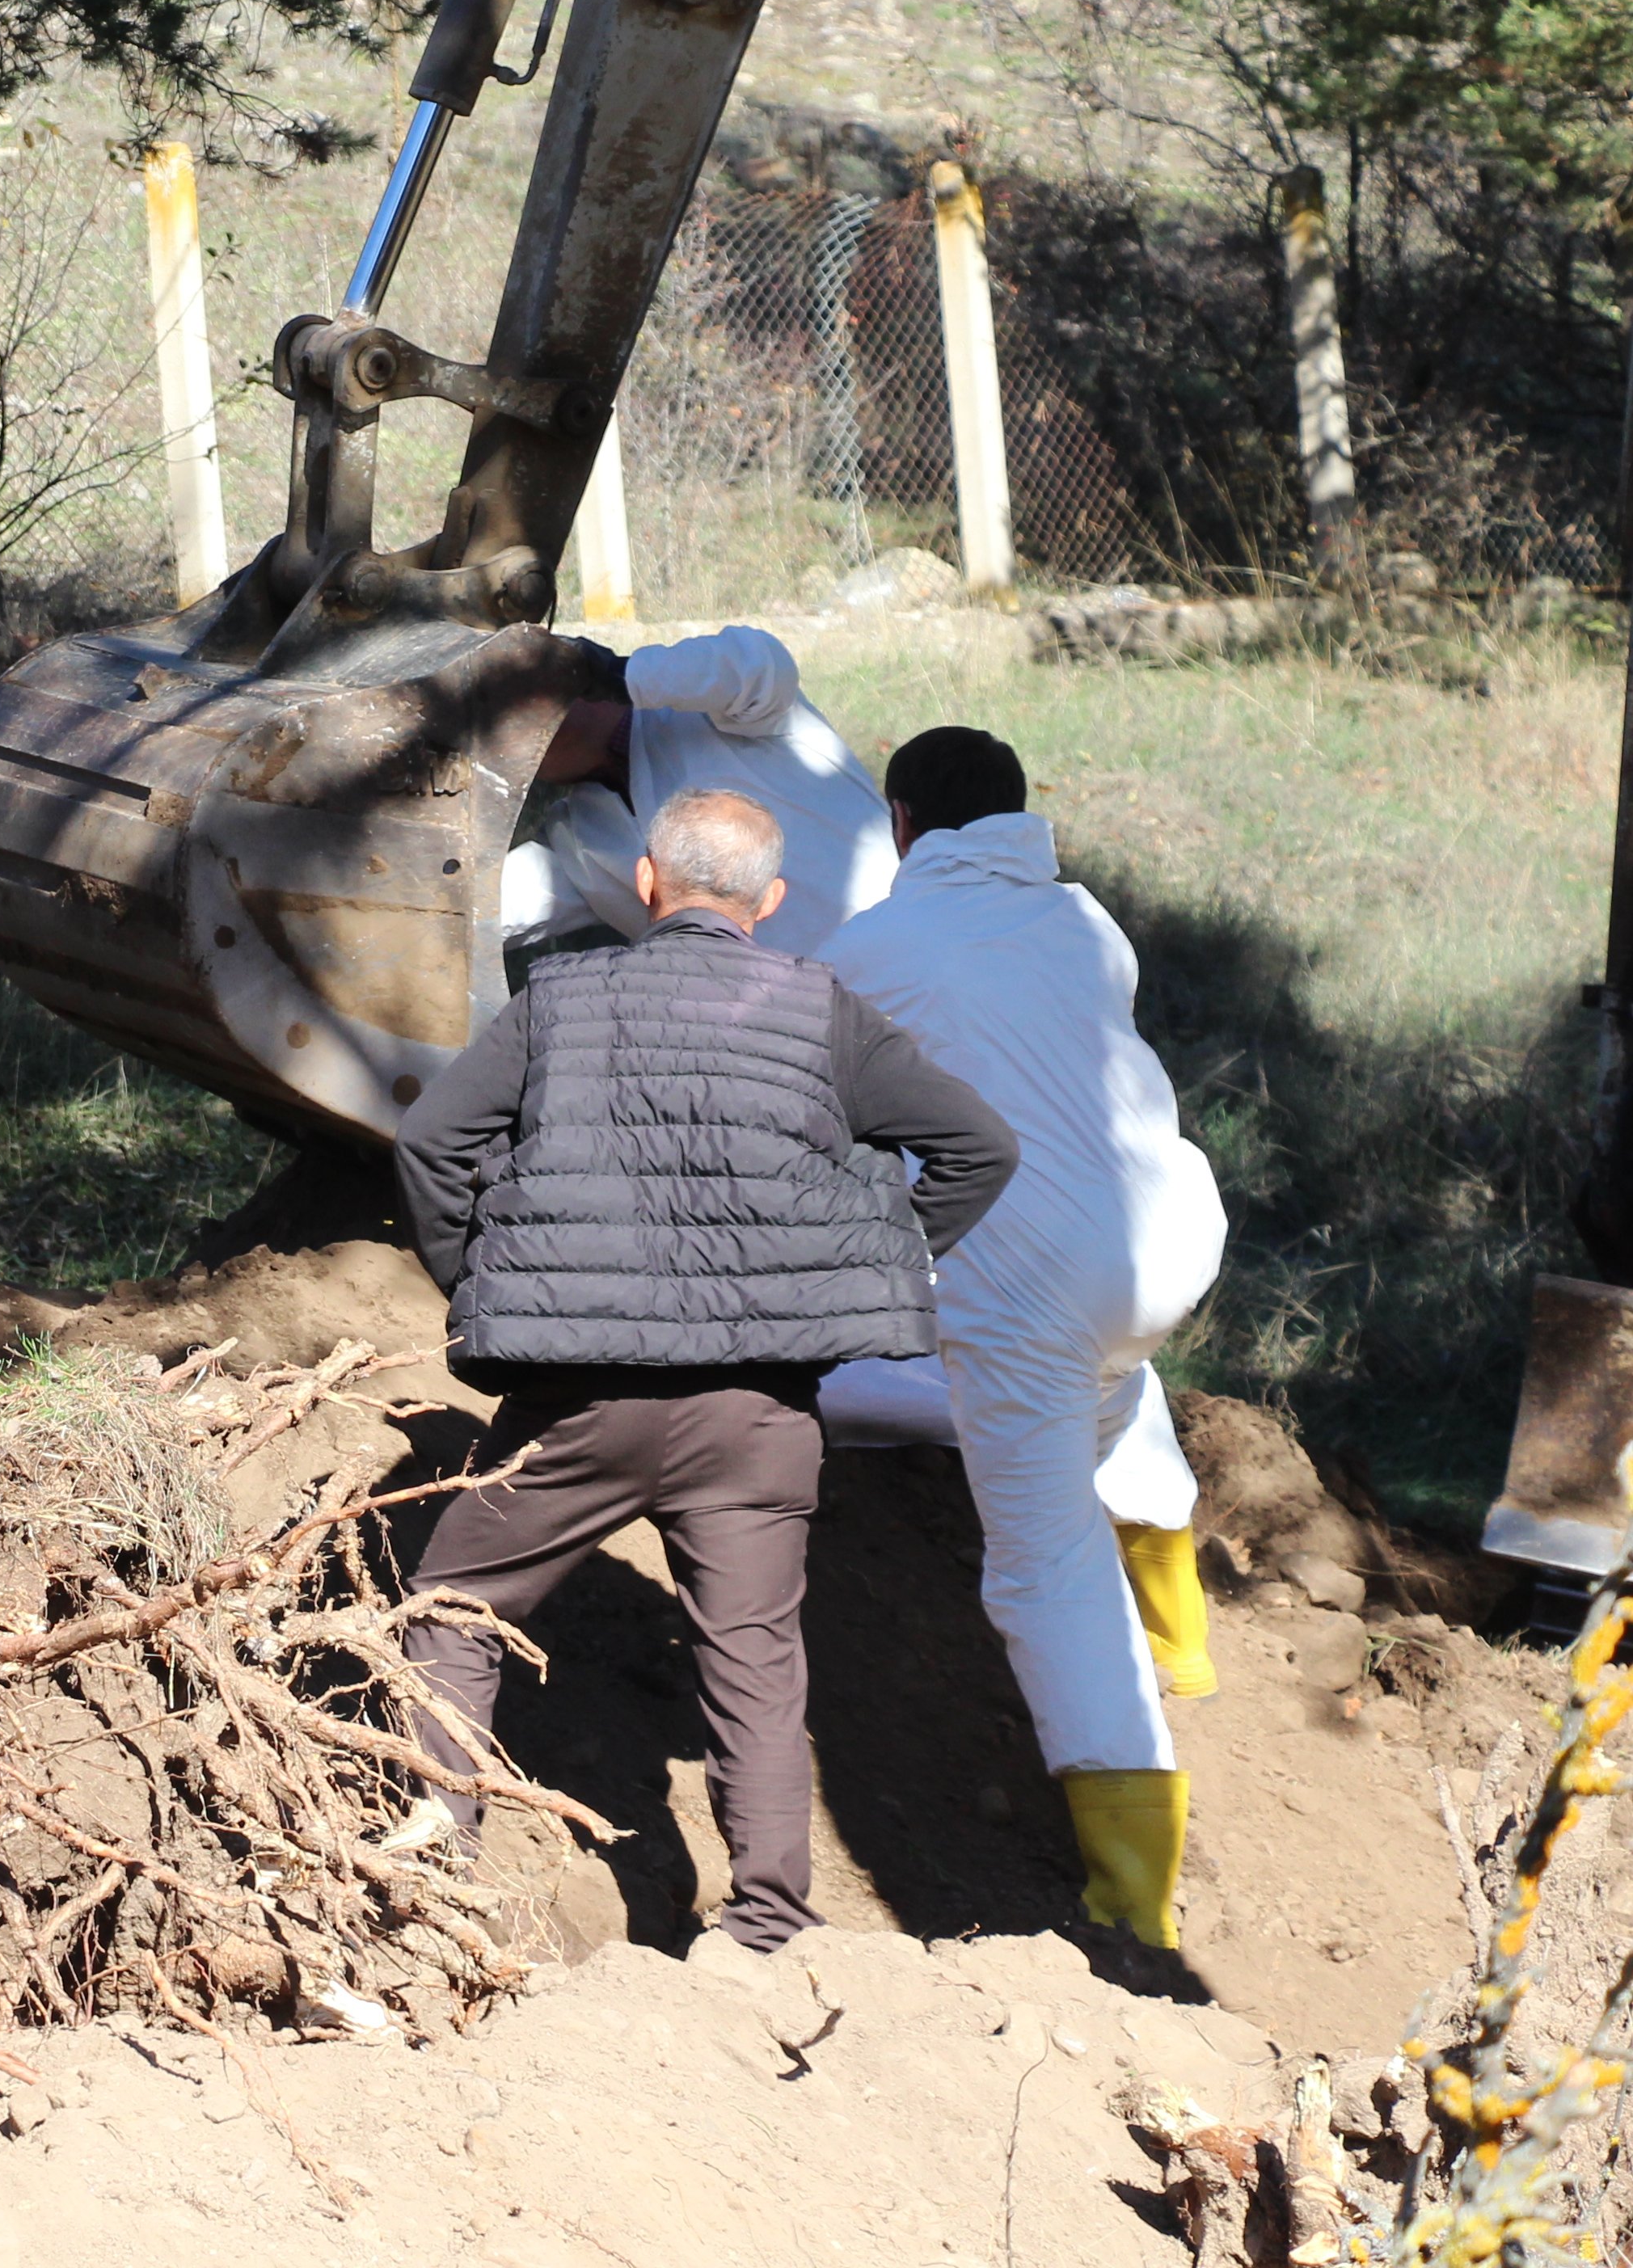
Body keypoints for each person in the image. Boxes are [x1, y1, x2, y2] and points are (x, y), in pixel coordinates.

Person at [390, 787, 1018, 1956]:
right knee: (758, 1666)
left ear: (646, 882)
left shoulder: (559, 1001)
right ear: (771, 902)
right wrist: (868, 1257)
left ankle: (438, 1885)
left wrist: (479, 1275)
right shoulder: (826, 1012)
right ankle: (767, 1929)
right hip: (758, 1413)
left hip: (581, 1400)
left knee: (451, 1613)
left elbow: (434, 1141)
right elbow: (980, 1146)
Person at [812, 725, 1229, 1951]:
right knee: (1109, 1390)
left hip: (1037, 1280)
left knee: (1044, 1565)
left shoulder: (872, 949)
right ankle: (1184, 1634)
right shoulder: (1090, 923)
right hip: (1168, 1242)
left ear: (900, 826)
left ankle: (1135, 1899)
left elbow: (811, 1096)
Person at [504, 626, 897, 955]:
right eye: (498, 729)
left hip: (909, 962)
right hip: (792, 1030)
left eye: (534, 698)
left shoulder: (722, 712)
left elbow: (757, 663)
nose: (524, 725)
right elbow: (483, 906)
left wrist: (615, 674)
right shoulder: (577, 840)